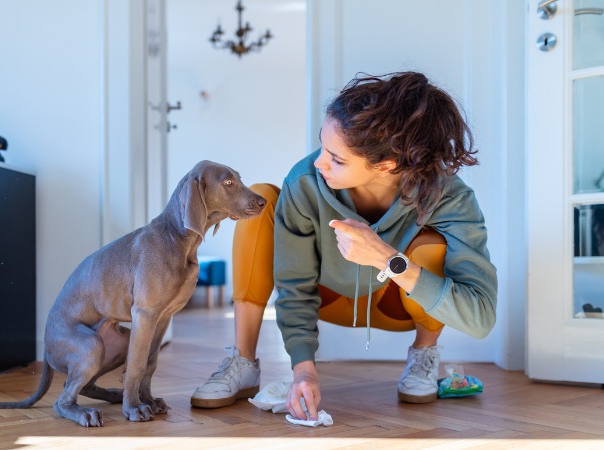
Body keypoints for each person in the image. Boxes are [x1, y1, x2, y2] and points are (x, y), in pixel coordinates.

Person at [190, 71, 498, 420]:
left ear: (386, 166)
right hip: (327, 296)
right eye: (323, 145)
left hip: (395, 307)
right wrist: (303, 369)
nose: (319, 162)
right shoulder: (306, 180)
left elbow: (480, 319)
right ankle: (243, 360)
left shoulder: (450, 197)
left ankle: (423, 355)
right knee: (261, 198)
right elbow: (294, 285)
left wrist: (387, 258)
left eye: (336, 159)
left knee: (432, 245)